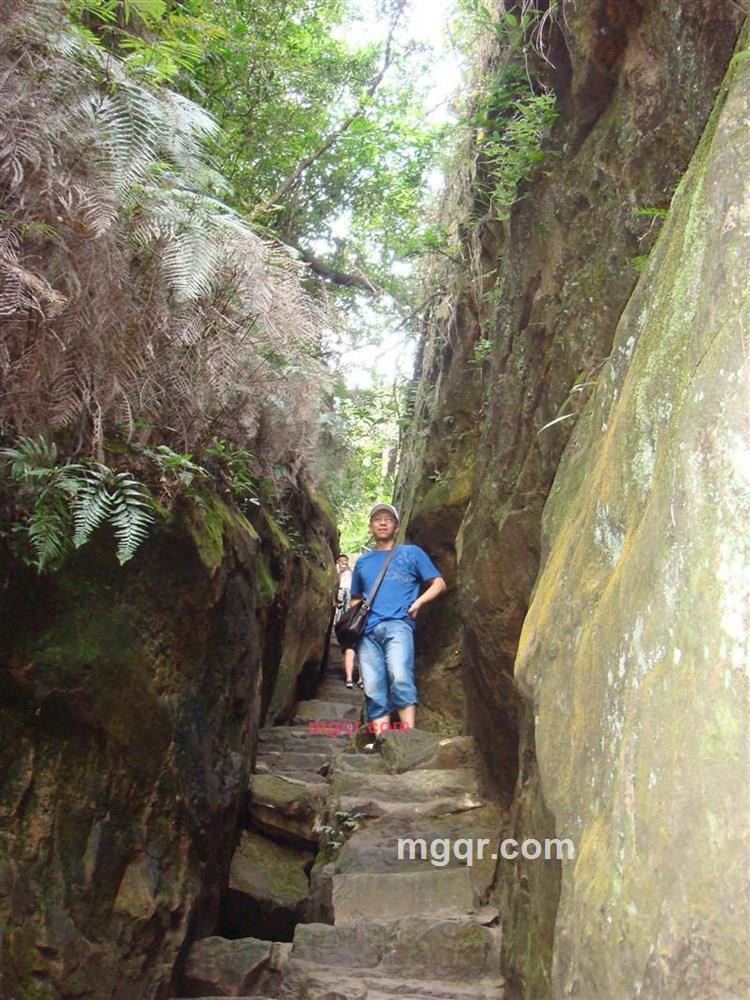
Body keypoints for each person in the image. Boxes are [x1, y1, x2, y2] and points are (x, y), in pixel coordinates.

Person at [349, 502, 446, 736]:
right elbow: (355, 598)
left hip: (398, 625)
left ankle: (407, 737)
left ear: (396, 526)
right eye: (377, 519)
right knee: (373, 687)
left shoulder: (411, 553)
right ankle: (384, 740)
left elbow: (439, 583)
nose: (382, 523)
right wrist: (356, 624)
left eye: (388, 519)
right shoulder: (363, 562)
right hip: (368, 633)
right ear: (371, 526)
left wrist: (418, 603)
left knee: (400, 676)